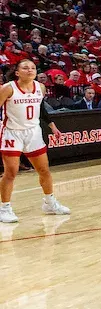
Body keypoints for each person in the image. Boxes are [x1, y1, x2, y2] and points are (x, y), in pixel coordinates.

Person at [0, 59, 69, 223]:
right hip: (12, 132)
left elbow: (41, 109)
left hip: (33, 132)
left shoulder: (41, 87)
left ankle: (50, 203)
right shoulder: (8, 88)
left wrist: (52, 126)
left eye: (32, 67)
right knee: (11, 172)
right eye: (25, 67)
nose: (30, 70)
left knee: (44, 170)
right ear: (17, 72)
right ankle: (4, 208)